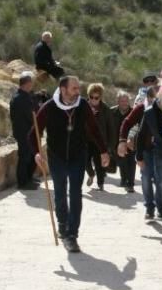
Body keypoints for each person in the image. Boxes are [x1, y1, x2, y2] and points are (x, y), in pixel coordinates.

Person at [32, 76, 110, 253]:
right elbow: (33, 133)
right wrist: (37, 152)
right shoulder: (50, 107)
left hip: (77, 156)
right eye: (74, 88)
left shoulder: (82, 105)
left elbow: (94, 128)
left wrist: (104, 151)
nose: (78, 91)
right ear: (63, 89)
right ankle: (62, 225)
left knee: (75, 194)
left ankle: (72, 235)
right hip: (57, 157)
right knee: (60, 193)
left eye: (78, 88)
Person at [119, 85, 162, 233]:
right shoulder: (145, 110)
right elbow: (138, 129)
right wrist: (126, 143)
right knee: (147, 177)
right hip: (148, 151)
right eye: (154, 97)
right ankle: (150, 208)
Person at [9, 72, 39, 190]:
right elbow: (30, 115)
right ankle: (22, 182)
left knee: (31, 155)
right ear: (26, 84)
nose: (32, 85)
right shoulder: (20, 98)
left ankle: (29, 178)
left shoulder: (25, 96)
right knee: (24, 156)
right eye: (31, 83)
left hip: (28, 132)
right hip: (23, 132)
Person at [85, 83, 114, 190]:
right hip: (86, 140)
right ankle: (91, 174)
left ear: (100, 97)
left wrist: (110, 146)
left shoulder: (106, 109)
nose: (93, 99)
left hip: (100, 141)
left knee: (99, 163)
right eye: (91, 97)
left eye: (96, 97)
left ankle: (100, 183)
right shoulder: (84, 107)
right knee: (85, 160)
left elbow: (111, 128)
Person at [110, 91, 135, 192]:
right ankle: (124, 179)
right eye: (122, 101)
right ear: (118, 101)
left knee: (131, 161)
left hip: (131, 140)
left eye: (126, 101)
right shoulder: (112, 111)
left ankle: (130, 183)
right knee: (121, 160)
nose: (124, 103)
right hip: (117, 141)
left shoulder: (134, 112)